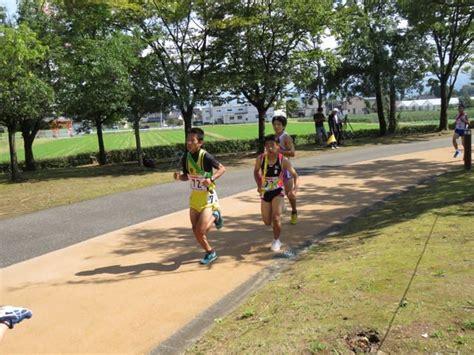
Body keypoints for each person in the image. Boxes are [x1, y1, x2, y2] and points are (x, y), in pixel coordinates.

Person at [174, 128, 226, 265]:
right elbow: (187, 176)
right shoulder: (186, 157)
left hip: (207, 196)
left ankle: (215, 217)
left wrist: (212, 179)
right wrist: (180, 177)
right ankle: (211, 251)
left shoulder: (206, 156)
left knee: (200, 231)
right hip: (195, 197)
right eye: (187, 140)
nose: (189, 143)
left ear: (200, 142)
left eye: (192, 140)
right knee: (195, 230)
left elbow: (222, 168)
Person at [254, 135, 298, 252]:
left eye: (272, 145)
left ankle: (276, 240)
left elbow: (295, 175)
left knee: (276, 217)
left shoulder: (283, 160)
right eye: (267, 146)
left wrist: (294, 190)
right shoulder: (261, 159)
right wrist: (259, 185)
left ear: (278, 146)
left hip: (278, 191)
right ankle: (281, 207)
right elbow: (256, 172)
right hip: (265, 192)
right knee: (267, 222)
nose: (270, 148)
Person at [272, 114, 298, 224]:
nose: (276, 126)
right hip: (274, 168)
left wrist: (280, 151)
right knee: (273, 193)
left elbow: (292, 153)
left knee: (289, 193)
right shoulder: (273, 137)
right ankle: (277, 213)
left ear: (283, 125)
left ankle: (294, 211)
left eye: (279, 124)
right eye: (274, 124)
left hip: (285, 168)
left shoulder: (286, 137)